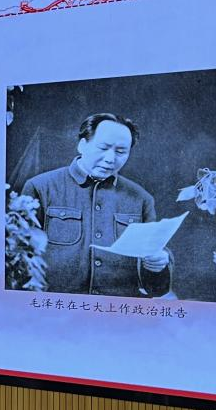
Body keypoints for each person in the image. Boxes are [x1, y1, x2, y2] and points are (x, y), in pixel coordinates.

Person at [19, 113, 171, 297]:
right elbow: (19, 261)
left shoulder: (141, 199)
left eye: (121, 152)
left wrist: (158, 265)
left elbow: (156, 288)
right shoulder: (40, 188)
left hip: (116, 310)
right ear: (82, 145)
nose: (110, 159)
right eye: (103, 148)